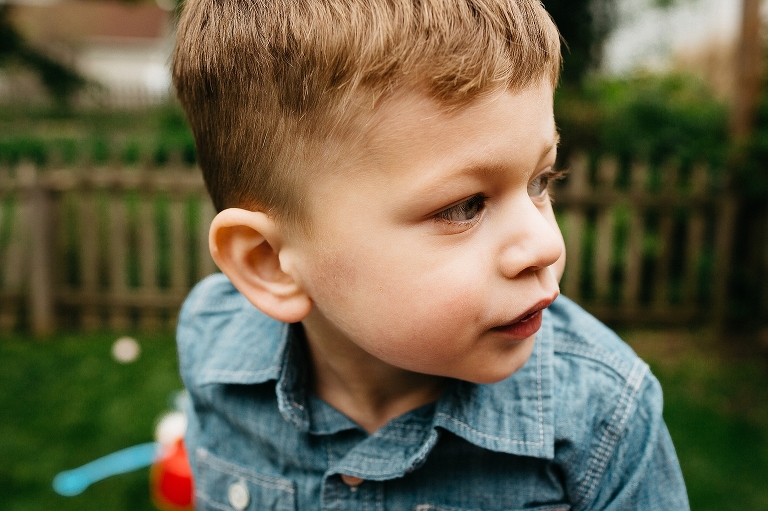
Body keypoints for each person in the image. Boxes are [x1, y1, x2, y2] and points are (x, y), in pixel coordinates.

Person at [172, 1, 690, 509]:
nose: (547, 244)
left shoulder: (604, 416)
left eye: (540, 181)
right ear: (268, 263)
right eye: (464, 206)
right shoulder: (212, 348)